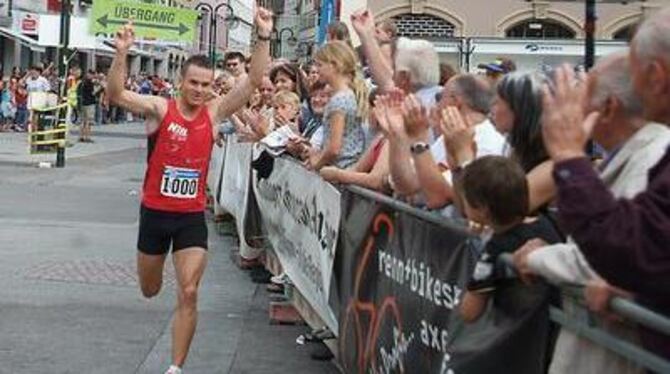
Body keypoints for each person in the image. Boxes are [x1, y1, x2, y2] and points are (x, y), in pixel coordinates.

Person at [105, 7, 273, 374]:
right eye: (194, 83)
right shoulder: (160, 109)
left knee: (191, 291)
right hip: (154, 213)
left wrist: (262, 35)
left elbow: (254, 80)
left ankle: (175, 368)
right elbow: (116, 94)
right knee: (150, 290)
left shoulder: (214, 112)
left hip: (190, 218)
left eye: (206, 84)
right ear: (182, 82)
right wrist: (121, 53)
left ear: (213, 86)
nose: (200, 90)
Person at [513, 52, 665, 374]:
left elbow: (615, 254)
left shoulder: (651, 157)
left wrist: (537, 259)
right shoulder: (630, 153)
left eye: (582, 96)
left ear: (607, 108)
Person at [540, 7, 670, 358]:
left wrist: (568, 156)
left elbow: (626, 247)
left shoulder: (654, 151)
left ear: (656, 76)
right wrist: (643, 295)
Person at [459, 156, 563, 323]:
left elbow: (470, 312)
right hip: (558, 327)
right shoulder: (546, 223)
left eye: (464, 200)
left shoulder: (495, 249)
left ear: (482, 210)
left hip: (525, 337)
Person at [307, 41, 368, 170]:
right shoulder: (349, 94)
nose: (317, 70)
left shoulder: (338, 101)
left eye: (320, 65)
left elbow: (334, 148)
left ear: (334, 65)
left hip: (339, 168)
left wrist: (316, 164)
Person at [78, 70, 100, 142]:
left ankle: (81, 136)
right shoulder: (90, 83)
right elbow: (93, 93)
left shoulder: (82, 82)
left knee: (83, 121)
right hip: (90, 103)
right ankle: (87, 137)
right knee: (88, 121)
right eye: (93, 75)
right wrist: (99, 89)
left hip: (83, 103)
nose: (93, 77)